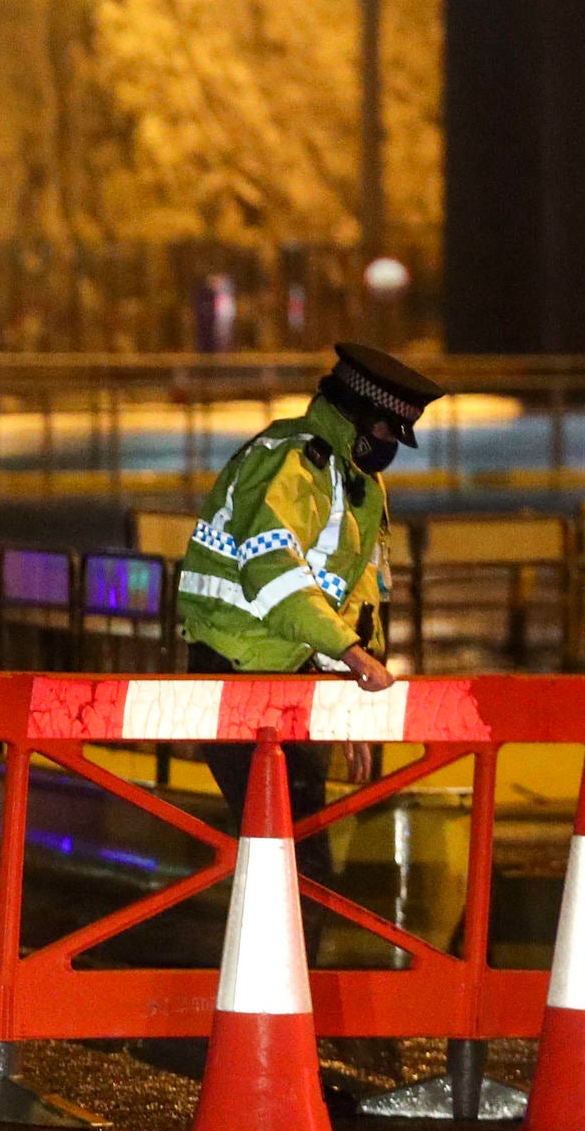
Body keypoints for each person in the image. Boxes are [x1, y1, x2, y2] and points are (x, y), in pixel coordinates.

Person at [174, 342, 443, 867]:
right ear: (358, 415)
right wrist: (352, 656)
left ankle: (275, 948)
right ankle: (273, 950)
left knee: (294, 862)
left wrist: (347, 696)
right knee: (294, 864)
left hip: (292, 678)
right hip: (237, 674)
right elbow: (273, 575)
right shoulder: (292, 462)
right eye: (388, 430)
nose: (390, 446)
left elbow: (354, 593)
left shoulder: (357, 481)